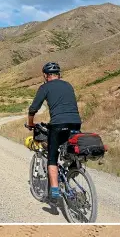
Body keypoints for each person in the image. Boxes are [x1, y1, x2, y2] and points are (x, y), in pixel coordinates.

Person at [27, 62, 81, 201]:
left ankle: (55, 189)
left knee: (52, 156)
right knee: (69, 148)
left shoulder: (45, 87)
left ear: (45, 75)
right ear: (59, 74)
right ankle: (73, 168)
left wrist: (30, 123)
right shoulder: (68, 85)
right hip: (75, 122)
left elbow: (33, 108)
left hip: (58, 124)